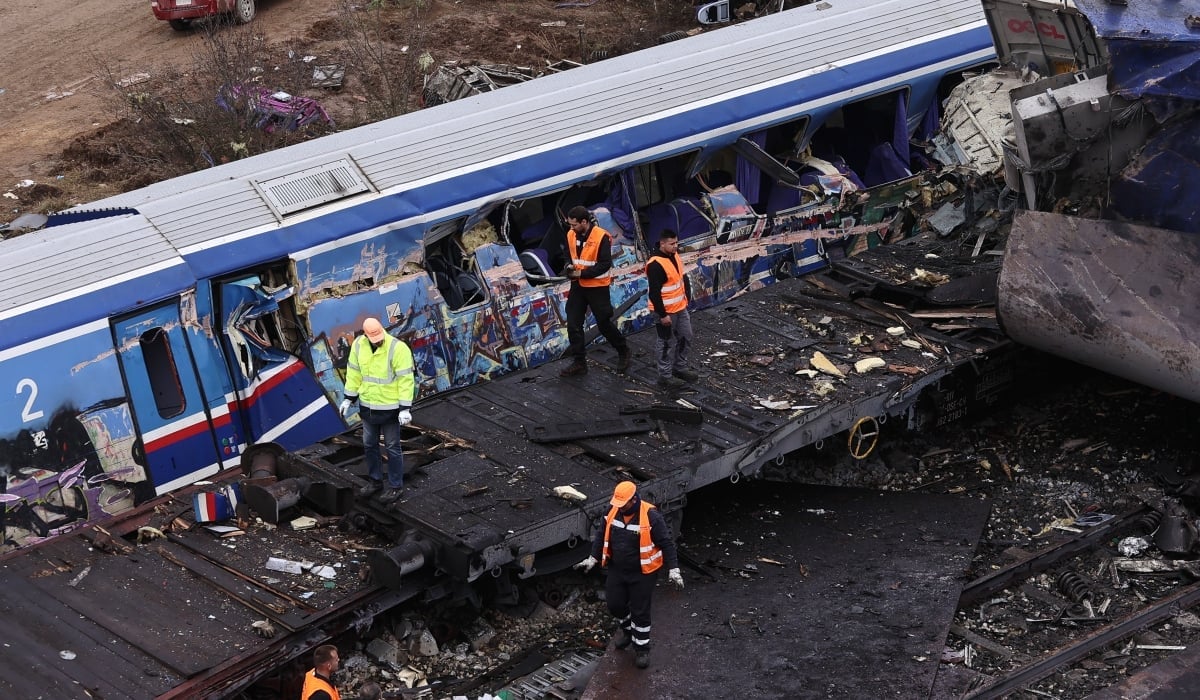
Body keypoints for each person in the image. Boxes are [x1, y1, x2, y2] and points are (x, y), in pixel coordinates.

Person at [574, 480, 683, 669]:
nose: (619, 507)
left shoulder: (651, 516)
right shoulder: (613, 510)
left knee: (640, 611)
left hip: (643, 573)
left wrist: (674, 569)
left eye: (623, 504)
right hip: (618, 569)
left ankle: (642, 649)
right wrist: (593, 557)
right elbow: (601, 534)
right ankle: (628, 631)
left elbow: (666, 543)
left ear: (633, 500)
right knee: (615, 604)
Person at [340, 318, 416, 504]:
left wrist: (405, 408)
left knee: (392, 447)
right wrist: (349, 398)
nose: (378, 341)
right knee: (369, 444)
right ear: (365, 335)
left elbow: (406, 380)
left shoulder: (398, 348)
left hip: (390, 409)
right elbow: (354, 373)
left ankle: (395, 487)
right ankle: (375, 481)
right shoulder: (359, 345)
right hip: (368, 406)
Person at [559, 205, 631, 377]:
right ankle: (579, 362)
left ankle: (623, 350)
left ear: (584, 222)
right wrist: (568, 266)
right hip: (578, 286)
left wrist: (582, 273)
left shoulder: (601, 237)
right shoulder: (571, 234)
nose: (571, 228)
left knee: (604, 323)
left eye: (574, 225)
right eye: (570, 225)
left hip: (597, 287)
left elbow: (605, 264)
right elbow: (569, 255)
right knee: (573, 324)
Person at [645, 229, 697, 389]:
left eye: (676, 243)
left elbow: (680, 278)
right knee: (666, 342)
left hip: (680, 307)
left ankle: (679, 367)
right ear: (662, 243)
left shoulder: (674, 256)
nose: (676, 246)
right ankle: (665, 376)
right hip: (665, 311)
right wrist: (662, 315)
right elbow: (654, 293)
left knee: (686, 336)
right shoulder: (655, 265)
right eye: (672, 244)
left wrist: (685, 299)